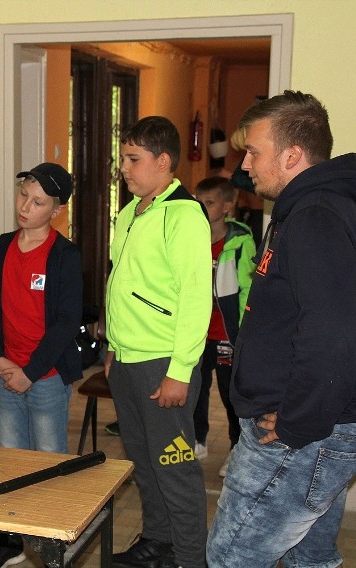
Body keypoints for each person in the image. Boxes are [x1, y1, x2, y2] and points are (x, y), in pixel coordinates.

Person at [207, 91, 356, 568]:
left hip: (307, 431)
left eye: (254, 151)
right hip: (319, 424)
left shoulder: (316, 217)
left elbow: (330, 337)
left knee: (232, 557)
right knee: (309, 559)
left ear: (292, 155)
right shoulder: (310, 210)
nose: (245, 164)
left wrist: (297, 425)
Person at [105, 116, 212, 568]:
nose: (123, 168)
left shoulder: (184, 214)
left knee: (175, 469)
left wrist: (179, 371)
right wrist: (112, 348)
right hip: (128, 361)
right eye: (122, 158)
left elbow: (195, 299)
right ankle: (157, 543)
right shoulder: (131, 212)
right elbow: (122, 284)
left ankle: (190, 559)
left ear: (164, 161)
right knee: (144, 464)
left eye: (133, 159)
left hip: (164, 363)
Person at [0, 162, 83, 568]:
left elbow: (65, 323)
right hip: (7, 372)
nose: (25, 207)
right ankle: (21, 541)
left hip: (46, 377)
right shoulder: (1, 247)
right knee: (13, 458)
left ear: (55, 211)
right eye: (23, 195)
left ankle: (55, 544)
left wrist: (30, 372)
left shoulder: (64, 255)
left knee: (49, 459)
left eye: (38, 202)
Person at [191, 176, 256, 476]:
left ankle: (236, 448)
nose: (202, 208)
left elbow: (247, 289)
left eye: (209, 203)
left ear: (227, 206)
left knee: (231, 395)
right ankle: (197, 438)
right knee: (196, 389)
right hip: (196, 333)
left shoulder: (241, 241)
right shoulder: (190, 238)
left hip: (227, 333)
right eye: (198, 202)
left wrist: (242, 333)